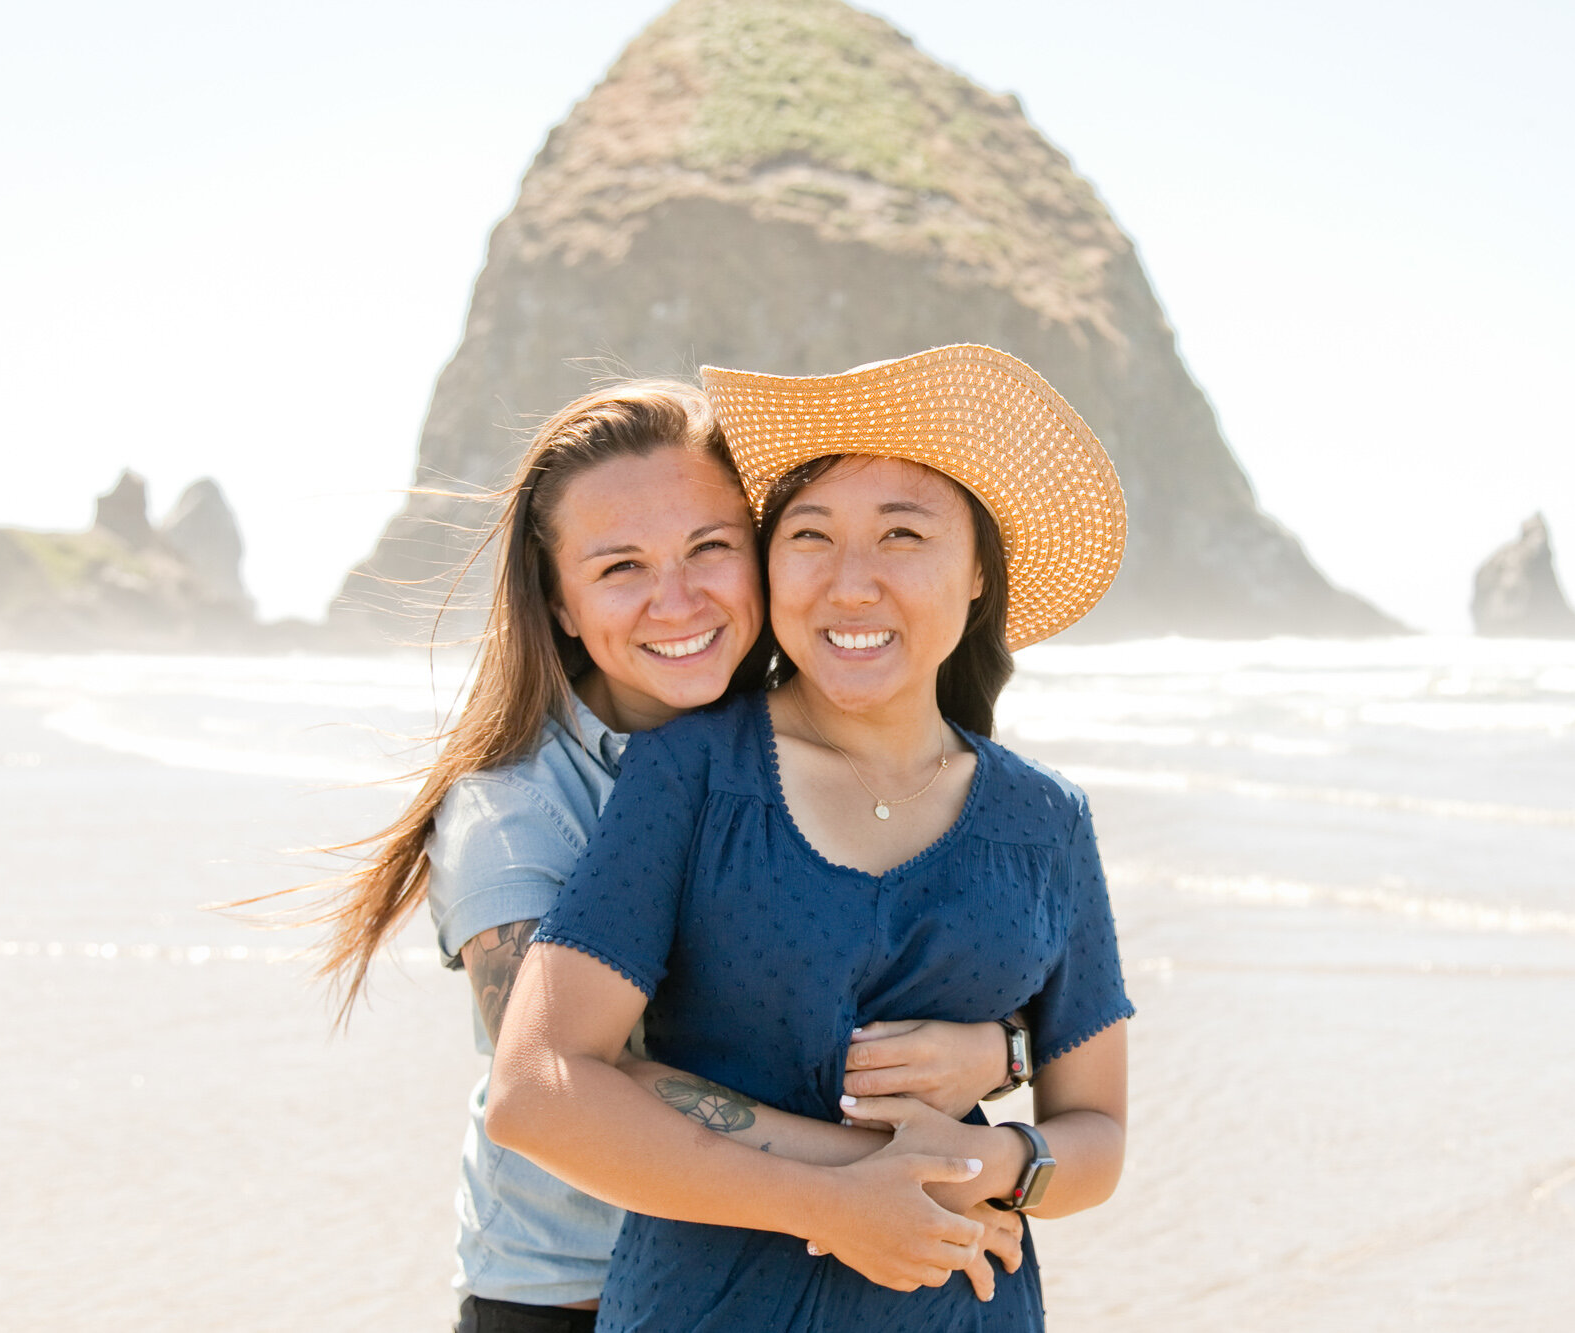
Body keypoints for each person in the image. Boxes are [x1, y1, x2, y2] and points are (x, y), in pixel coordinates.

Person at [301, 382, 1027, 1332]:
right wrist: (879, 1173)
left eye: (709, 547)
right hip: (577, 1293)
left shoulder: (819, 737)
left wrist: (998, 1048)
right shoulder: (515, 816)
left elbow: (944, 967)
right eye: (620, 567)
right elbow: (560, 1077)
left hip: (786, 1276)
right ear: (558, 603)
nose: (676, 600)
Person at [486, 345, 1135, 1331]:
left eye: (903, 535)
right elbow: (535, 1088)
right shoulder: (689, 771)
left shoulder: (1045, 821)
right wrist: (843, 1197)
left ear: (974, 575)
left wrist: (998, 1159)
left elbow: (1094, 1130)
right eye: (810, 536)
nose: (850, 583)